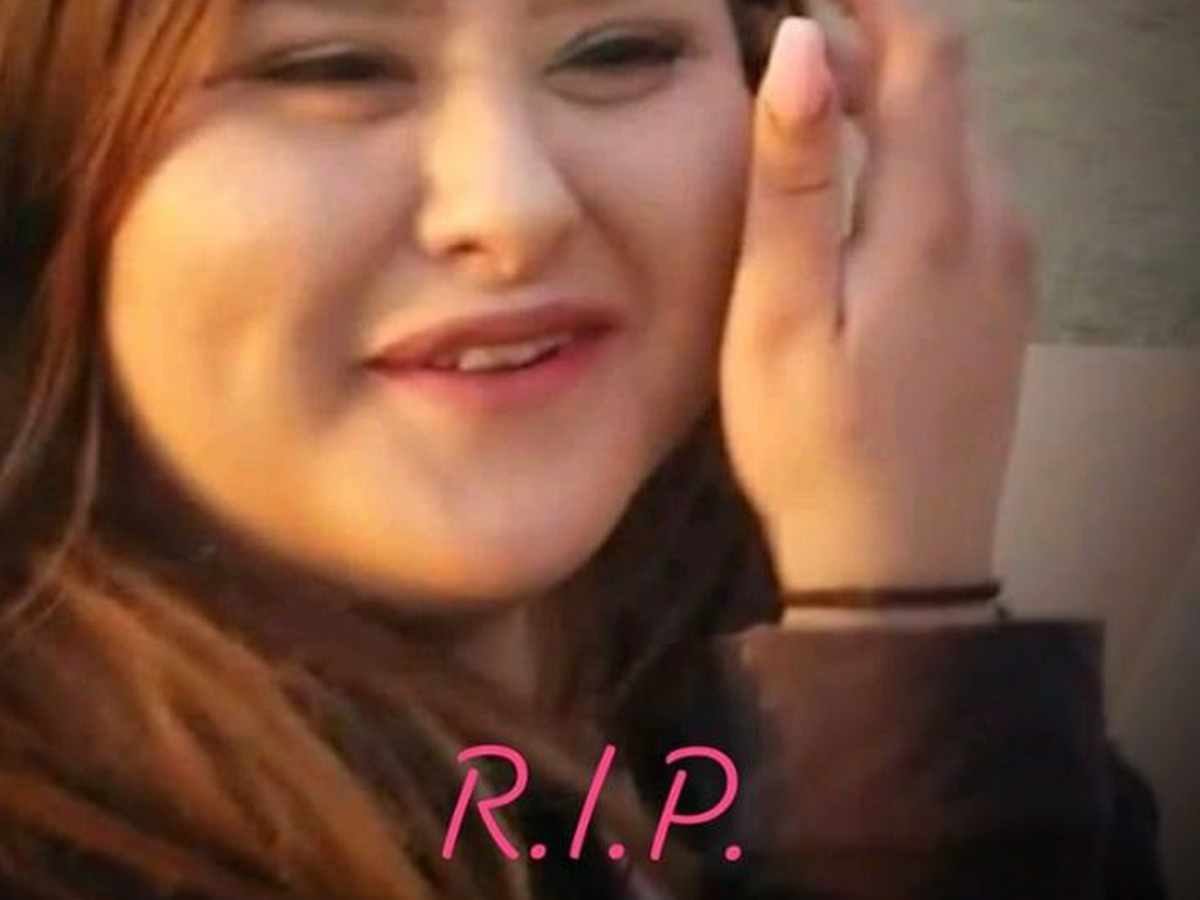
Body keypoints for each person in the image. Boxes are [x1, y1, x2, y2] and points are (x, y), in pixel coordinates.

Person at [0, 0, 1167, 897]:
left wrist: (890, 611)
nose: (515, 207)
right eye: (330, 68)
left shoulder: (733, 661)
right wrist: (897, 647)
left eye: (618, 51)